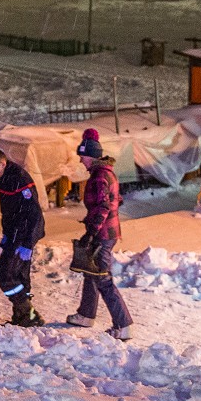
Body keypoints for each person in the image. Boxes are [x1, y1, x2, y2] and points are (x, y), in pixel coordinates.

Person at [68, 129, 134, 340]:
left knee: (103, 278)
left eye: (82, 156)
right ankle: (86, 315)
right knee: (91, 271)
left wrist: (92, 232)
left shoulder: (98, 176)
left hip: (104, 233)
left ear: (92, 155)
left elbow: (103, 206)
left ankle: (123, 325)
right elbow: (116, 199)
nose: (80, 159)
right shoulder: (107, 172)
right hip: (109, 231)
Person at [0, 148, 46, 327]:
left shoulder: (19, 179)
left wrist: (27, 242)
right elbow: (9, 212)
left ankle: (28, 313)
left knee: (4, 274)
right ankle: (23, 316)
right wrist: (8, 235)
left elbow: (33, 212)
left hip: (24, 234)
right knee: (19, 274)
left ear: (2, 164)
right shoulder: (6, 178)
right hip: (16, 233)